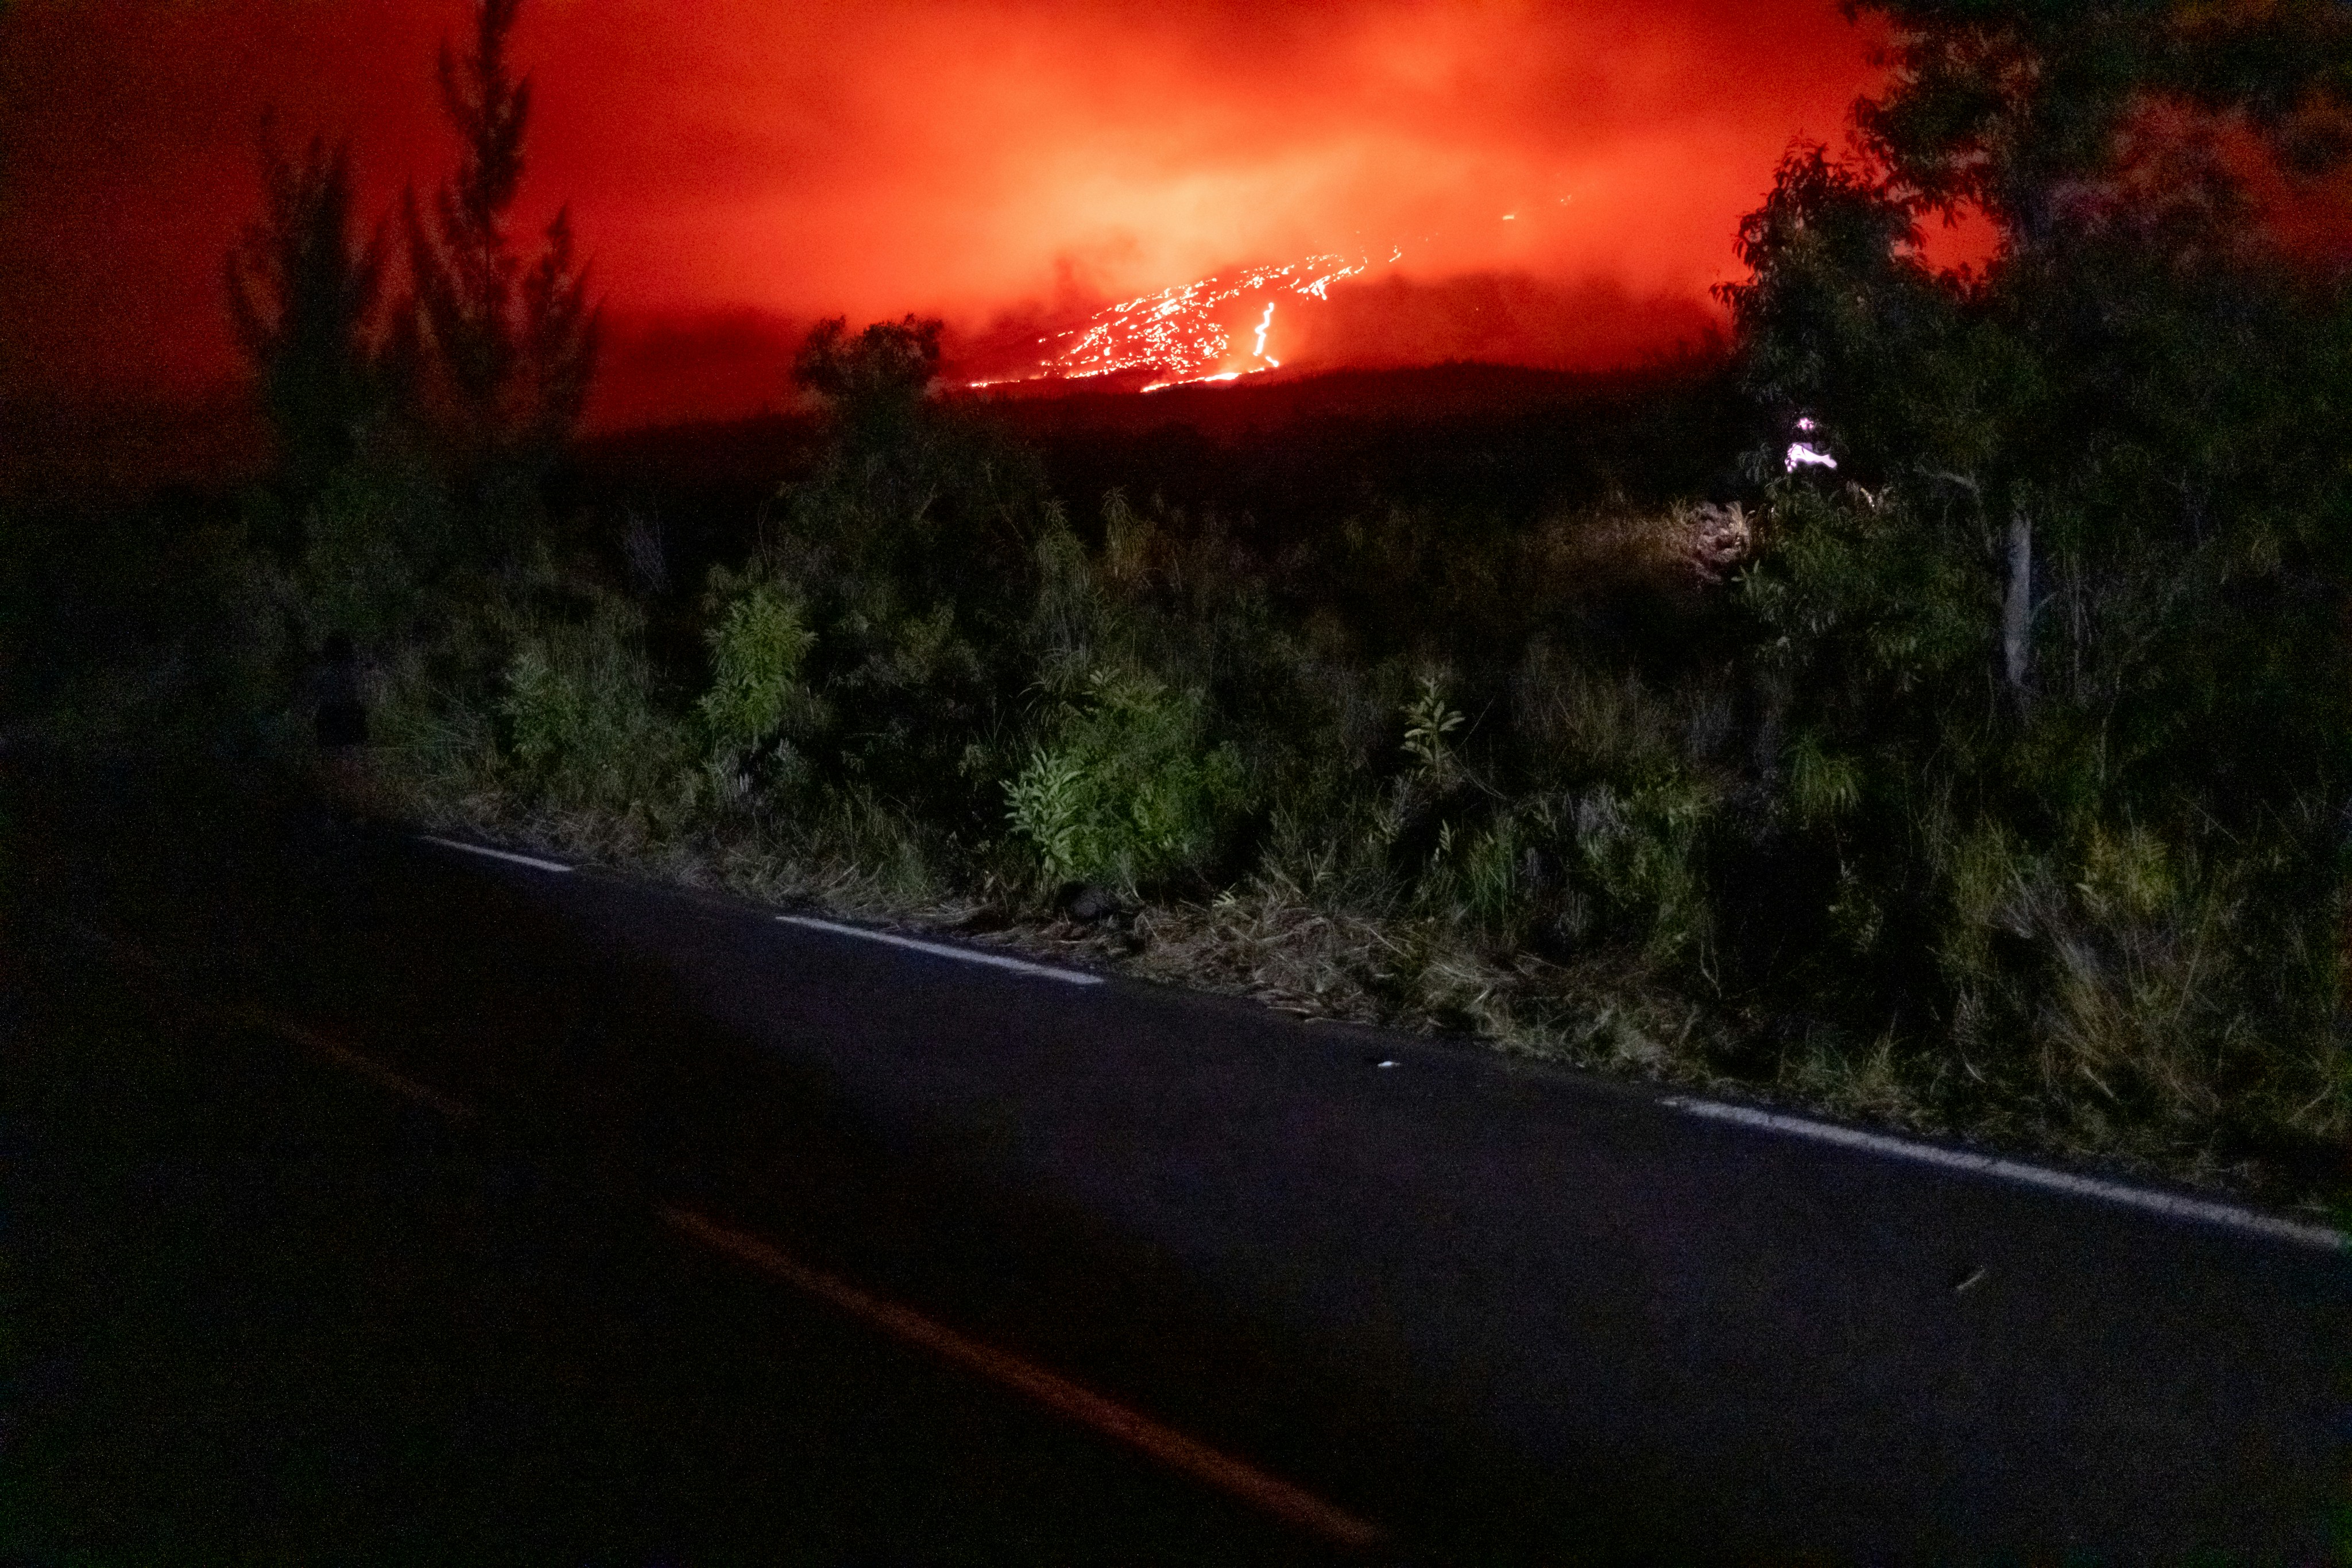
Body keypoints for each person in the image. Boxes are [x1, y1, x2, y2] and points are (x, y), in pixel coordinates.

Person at [307, 631, 373, 819]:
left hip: (331, 714)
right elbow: (363, 690)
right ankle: (358, 811)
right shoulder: (354, 671)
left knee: (330, 763)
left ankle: (332, 811)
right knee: (353, 761)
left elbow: (315, 693)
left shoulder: (324, 673)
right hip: (351, 713)